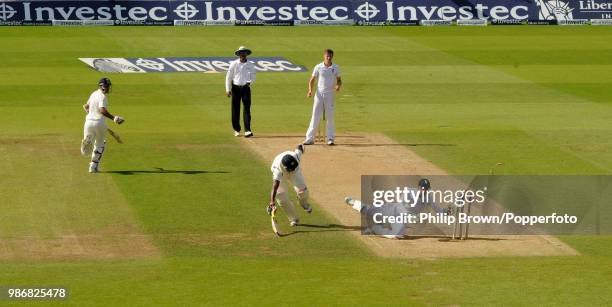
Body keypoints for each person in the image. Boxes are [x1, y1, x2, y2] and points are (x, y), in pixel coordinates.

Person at [345, 178, 450, 239]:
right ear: (418, 187)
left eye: (426, 189)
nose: (424, 191)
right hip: (394, 210)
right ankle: (353, 202)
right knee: (369, 211)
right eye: (423, 189)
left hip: (403, 217)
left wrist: (447, 212)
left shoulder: (429, 197)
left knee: (396, 235)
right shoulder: (408, 191)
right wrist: (411, 216)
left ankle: (375, 229)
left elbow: (439, 211)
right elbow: (403, 204)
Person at [81, 78, 125, 173]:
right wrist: (114, 118)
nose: (109, 88)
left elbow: (85, 106)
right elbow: (102, 110)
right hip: (100, 123)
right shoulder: (103, 97)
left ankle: (87, 140)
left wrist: (91, 113)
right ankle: (93, 167)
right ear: (104, 87)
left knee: (86, 150)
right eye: (108, 86)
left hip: (88, 122)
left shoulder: (94, 93)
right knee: (100, 144)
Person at [267, 144, 312, 226]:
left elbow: (300, 148)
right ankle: (294, 218)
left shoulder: (295, 156)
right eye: (291, 169)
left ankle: (303, 203)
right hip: (282, 176)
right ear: (284, 167)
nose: (293, 169)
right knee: (281, 198)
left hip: (295, 174)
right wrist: (272, 202)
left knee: (303, 191)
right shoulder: (277, 170)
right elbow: (275, 186)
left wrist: (301, 146)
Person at [304, 49, 342, 146]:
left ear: (332, 57)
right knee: (315, 116)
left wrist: (338, 86)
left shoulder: (335, 67)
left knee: (330, 117)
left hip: (330, 95)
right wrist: (310, 90)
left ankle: (330, 138)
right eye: (327, 56)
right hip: (319, 95)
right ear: (324, 56)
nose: (328, 58)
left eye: (330, 56)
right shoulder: (318, 67)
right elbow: (312, 80)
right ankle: (310, 138)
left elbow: (339, 80)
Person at [225, 46, 256, 138]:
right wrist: (228, 89)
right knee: (235, 109)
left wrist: (250, 82)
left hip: (246, 88)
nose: (243, 55)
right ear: (239, 54)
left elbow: (254, 76)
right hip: (235, 88)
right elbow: (228, 77)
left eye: (244, 53)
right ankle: (237, 129)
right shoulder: (234, 64)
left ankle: (247, 130)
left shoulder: (250, 65)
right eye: (241, 53)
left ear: (246, 54)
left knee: (247, 109)